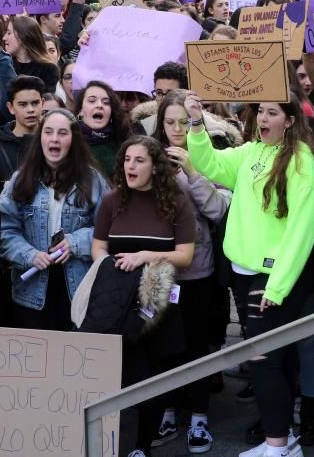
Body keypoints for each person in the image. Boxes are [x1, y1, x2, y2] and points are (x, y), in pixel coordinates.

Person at [185, 93, 314, 457]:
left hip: (273, 278)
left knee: (263, 362)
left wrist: (277, 287)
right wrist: (197, 123)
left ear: (290, 120)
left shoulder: (302, 162)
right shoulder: (250, 152)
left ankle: (277, 446)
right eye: (261, 110)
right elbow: (208, 163)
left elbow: (302, 230)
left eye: (272, 112)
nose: (262, 117)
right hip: (243, 273)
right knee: (273, 359)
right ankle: (283, 438)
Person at [90, 136, 197, 457]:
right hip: (117, 302)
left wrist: (145, 256)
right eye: (127, 160)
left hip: (156, 303)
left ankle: (142, 446)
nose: (130, 166)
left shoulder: (175, 202)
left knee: (151, 377)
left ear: (155, 167)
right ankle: (116, 444)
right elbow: (98, 247)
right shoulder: (111, 201)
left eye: (139, 160)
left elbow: (185, 255)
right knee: (118, 375)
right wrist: (109, 270)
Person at [151, 91, 232, 453]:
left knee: (197, 343)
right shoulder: (150, 155)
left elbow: (217, 210)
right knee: (164, 343)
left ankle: (199, 416)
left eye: (183, 122)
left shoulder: (208, 154)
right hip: (160, 272)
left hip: (198, 270)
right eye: (169, 123)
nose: (175, 130)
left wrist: (193, 170)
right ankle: (168, 410)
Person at [0, 109, 109, 330]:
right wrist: (29, 255)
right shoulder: (20, 181)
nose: (54, 139)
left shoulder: (93, 180)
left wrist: (76, 242)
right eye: (48, 132)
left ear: (74, 140)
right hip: (31, 289)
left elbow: (108, 230)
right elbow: (4, 230)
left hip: (78, 287)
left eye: (62, 133)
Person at [0, 75, 44, 190]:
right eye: (23, 104)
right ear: (10, 107)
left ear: (43, 103)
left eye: (35, 103)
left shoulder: (56, 142)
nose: (30, 109)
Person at [76, 80, 132, 179]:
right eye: (92, 101)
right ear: (80, 110)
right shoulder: (69, 140)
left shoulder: (125, 142)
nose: (99, 105)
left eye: (106, 102)